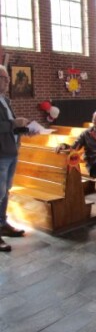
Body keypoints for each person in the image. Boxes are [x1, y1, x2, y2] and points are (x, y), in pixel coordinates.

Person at [0, 65, 29, 252]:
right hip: (1, 154)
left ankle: (2, 224)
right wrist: (13, 124)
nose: (8, 81)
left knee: (5, 192)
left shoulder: (5, 100)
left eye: (7, 78)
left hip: (11, 152)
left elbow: (10, 127)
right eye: (4, 78)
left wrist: (24, 129)